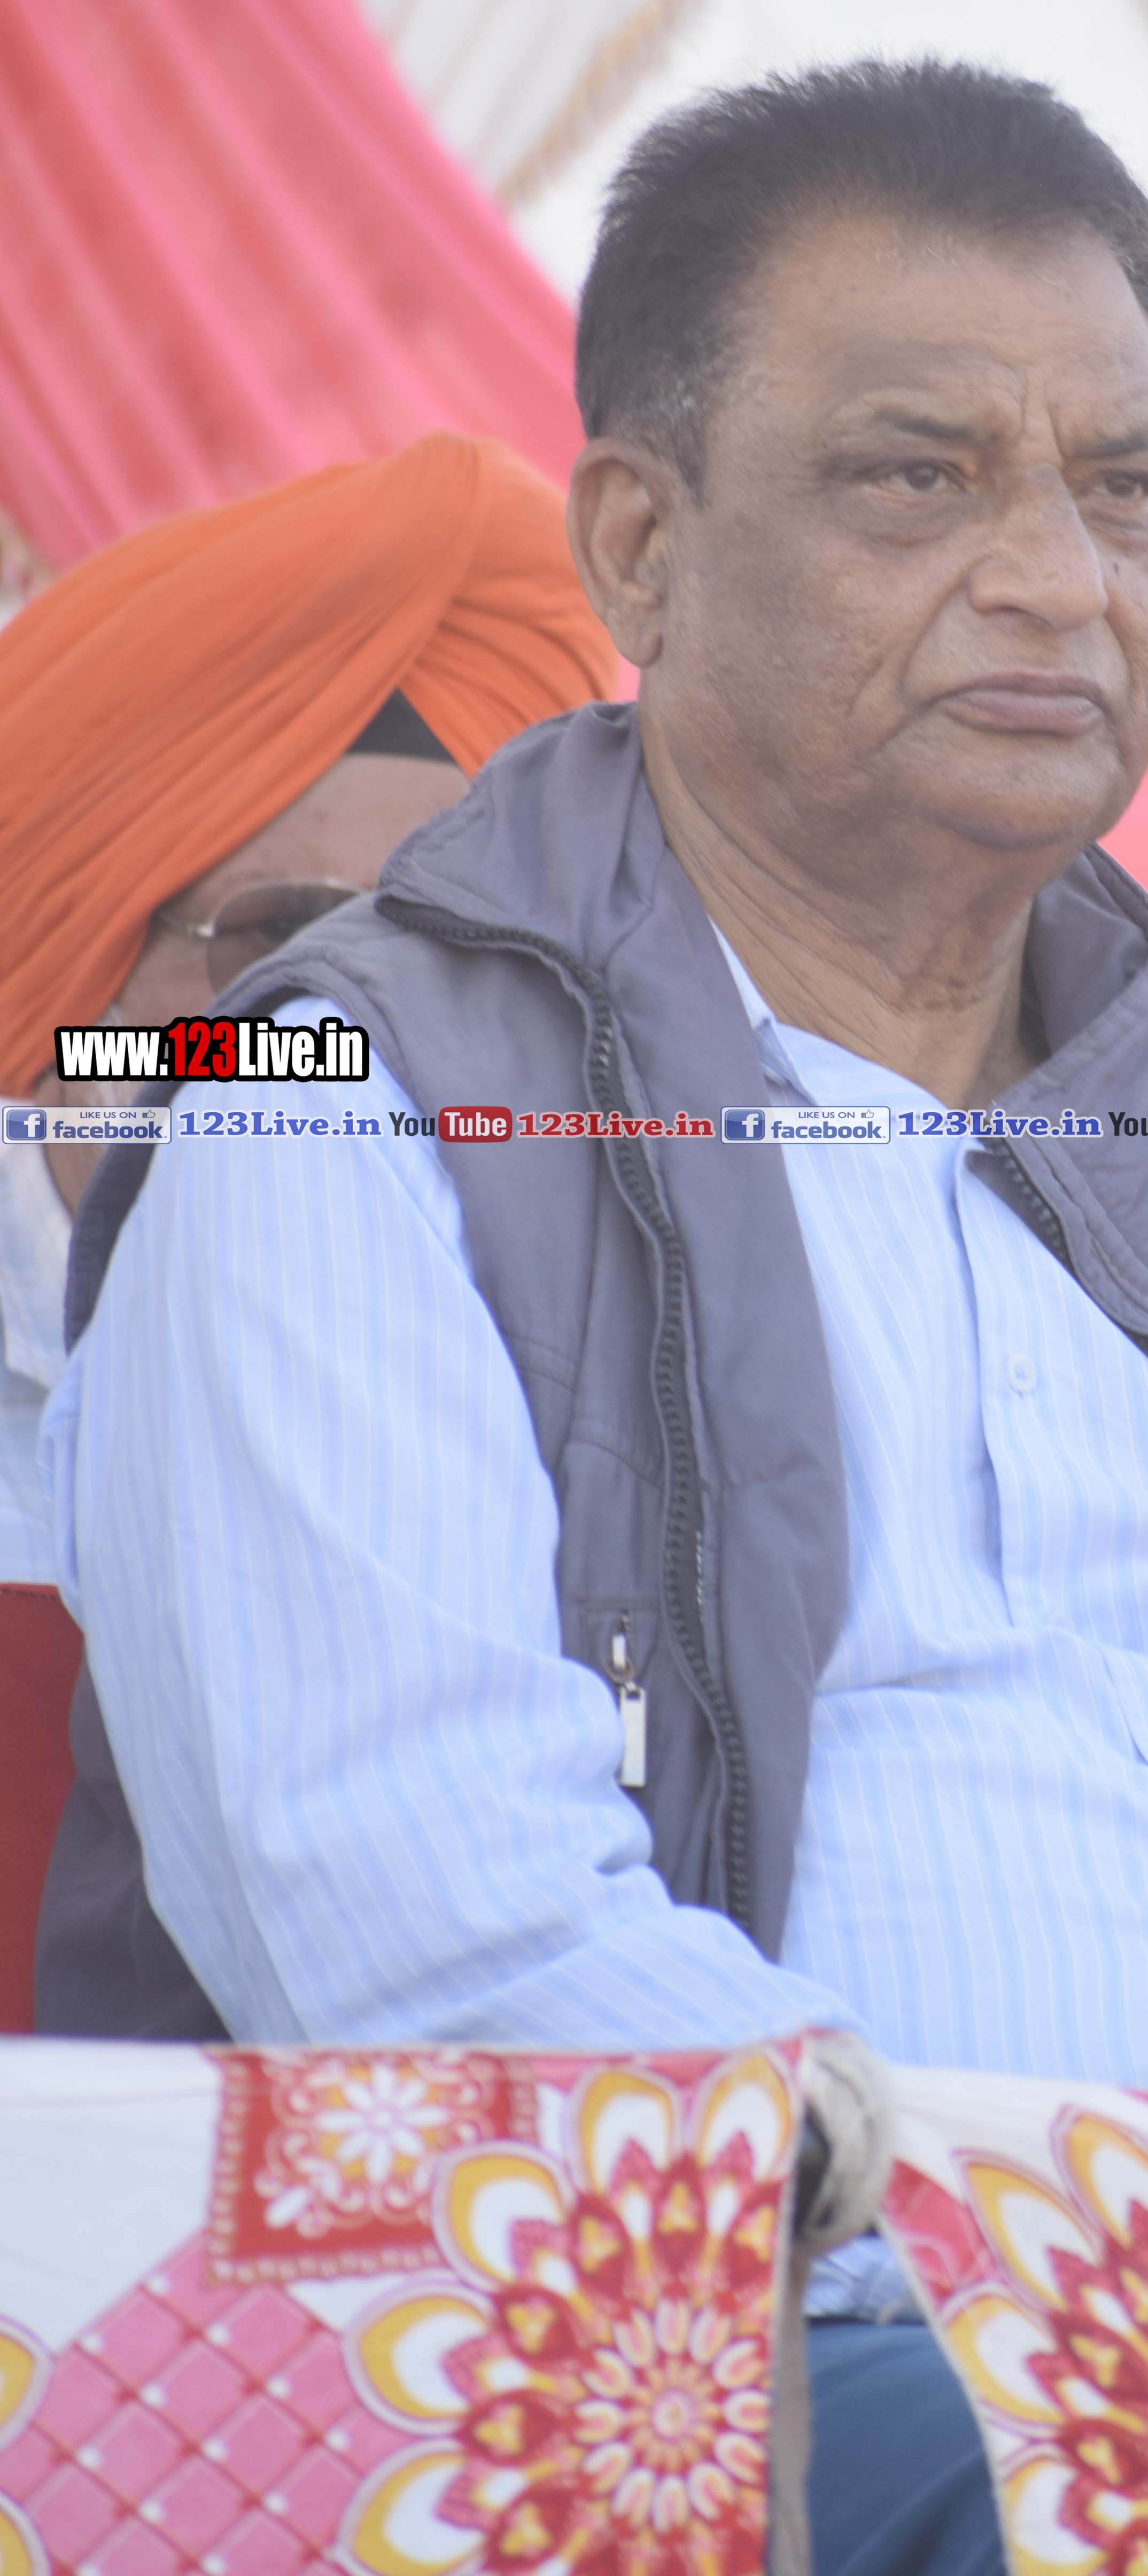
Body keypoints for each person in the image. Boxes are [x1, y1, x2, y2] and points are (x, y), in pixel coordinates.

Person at [42, 67, 1148, 2576]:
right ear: (643, 542)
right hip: (808, 2385)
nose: (1056, 581)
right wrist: (1147, 2358)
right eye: (920, 478)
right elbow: (430, 1935)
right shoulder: (351, 1118)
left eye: (1123, 491)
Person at [0, 432, 614, 2031]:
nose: (354, 1029)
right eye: (276, 942)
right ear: (75, 988)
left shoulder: (602, 1385)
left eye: (453, 953)